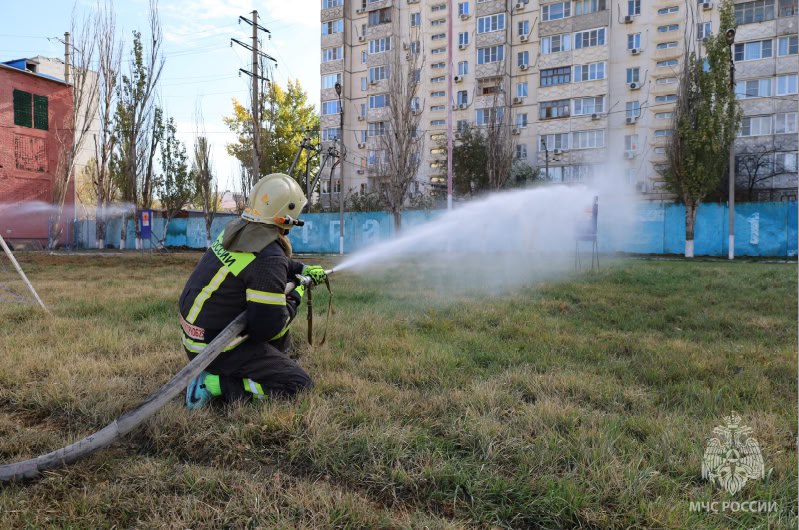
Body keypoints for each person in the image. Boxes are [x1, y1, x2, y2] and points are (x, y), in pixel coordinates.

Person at [178, 173, 327, 409]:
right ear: (287, 216)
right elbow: (266, 329)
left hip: (195, 339)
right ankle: (213, 383)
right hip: (218, 349)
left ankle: (256, 366)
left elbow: (264, 267)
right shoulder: (268, 258)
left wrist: (301, 269)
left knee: (274, 333)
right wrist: (294, 296)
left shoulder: (237, 232)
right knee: (298, 385)